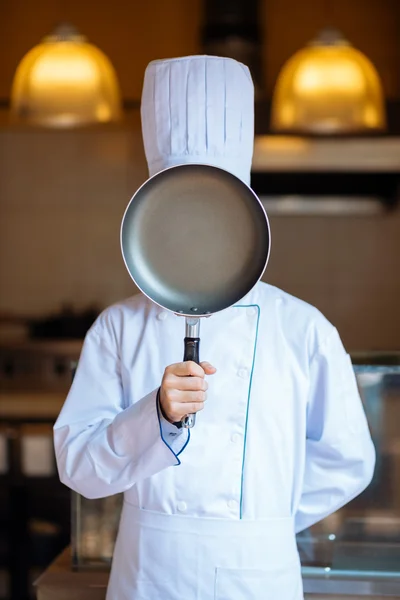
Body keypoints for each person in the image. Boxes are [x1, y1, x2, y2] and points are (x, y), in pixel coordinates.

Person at [54, 56, 375, 600]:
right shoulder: (118, 328)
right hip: (148, 571)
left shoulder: (302, 329)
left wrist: (261, 522)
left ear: (243, 211)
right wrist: (154, 414)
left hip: (261, 571)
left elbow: (348, 459)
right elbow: (79, 466)